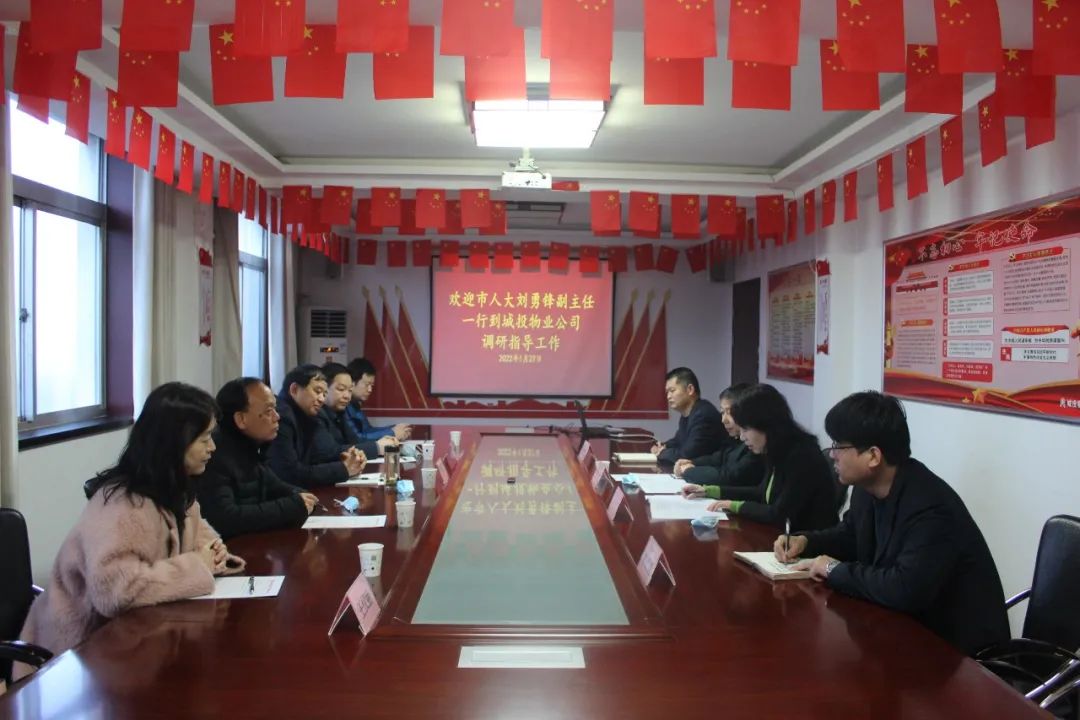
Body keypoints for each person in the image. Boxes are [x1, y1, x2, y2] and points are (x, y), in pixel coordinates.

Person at [16, 383, 245, 680]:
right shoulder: (124, 504)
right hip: (74, 658)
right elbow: (114, 591)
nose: (212, 447)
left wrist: (215, 553)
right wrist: (197, 567)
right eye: (204, 439)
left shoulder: (175, 490)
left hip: (132, 645)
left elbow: (198, 535)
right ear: (174, 442)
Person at [774, 391, 1010, 655]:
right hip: (905, 633)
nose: (832, 455)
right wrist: (806, 541)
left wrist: (832, 568)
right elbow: (850, 535)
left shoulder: (930, 506)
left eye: (839, 446)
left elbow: (904, 588)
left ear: (873, 456)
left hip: (959, 653)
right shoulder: (866, 488)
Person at [686, 383, 836, 531]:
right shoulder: (777, 449)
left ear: (765, 425)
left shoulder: (802, 455)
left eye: (745, 429)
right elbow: (761, 492)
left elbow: (778, 514)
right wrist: (709, 491)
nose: (742, 437)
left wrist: (734, 506)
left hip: (805, 542)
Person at [197, 378, 319, 539]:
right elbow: (225, 518)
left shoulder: (249, 447)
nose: (277, 417)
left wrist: (301, 496)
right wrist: (294, 505)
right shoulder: (214, 454)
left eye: (275, 409)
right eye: (268, 411)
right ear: (241, 419)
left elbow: (276, 487)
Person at [267, 364, 366, 488]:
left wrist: (342, 457)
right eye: (317, 391)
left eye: (324, 394)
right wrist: (344, 469)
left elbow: (315, 458)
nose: (321, 399)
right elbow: (289, 473)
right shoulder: (281, 418)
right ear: (294, 390)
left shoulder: (306, 415)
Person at [675, 383, 762, 488]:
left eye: (729, 412)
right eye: (722, 413)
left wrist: (689, 471)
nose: (724, 420)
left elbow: (729, 477)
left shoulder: (755, 444)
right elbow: (716, 458)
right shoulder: (734, 439)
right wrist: (691, 462)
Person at [317, 362, 395, 460]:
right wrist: (377, 447)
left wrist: (383, 441)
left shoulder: (339, 413)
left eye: (350, 390)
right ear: (324, 389)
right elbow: (331, 452)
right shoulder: (317, 415)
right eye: (341, 389)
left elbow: (354, 441)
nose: (347, 396)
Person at [650, 367, 724, 465]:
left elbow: (686, 455)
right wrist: (664, 445)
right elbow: (678, 440)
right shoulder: (688, 414)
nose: (668, 396)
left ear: (690, 389)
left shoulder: (703, 415)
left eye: (672, 390)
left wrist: (662, 452)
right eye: (667, 392)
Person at [344, 357, 412, 442]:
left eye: (372, 386)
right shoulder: (343, 406)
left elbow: (368, 430)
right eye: (367, 385)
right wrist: (392, 432)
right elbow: (358, 438)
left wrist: (394, 429)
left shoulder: (355, 404)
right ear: (352, 383)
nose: (370, 390)